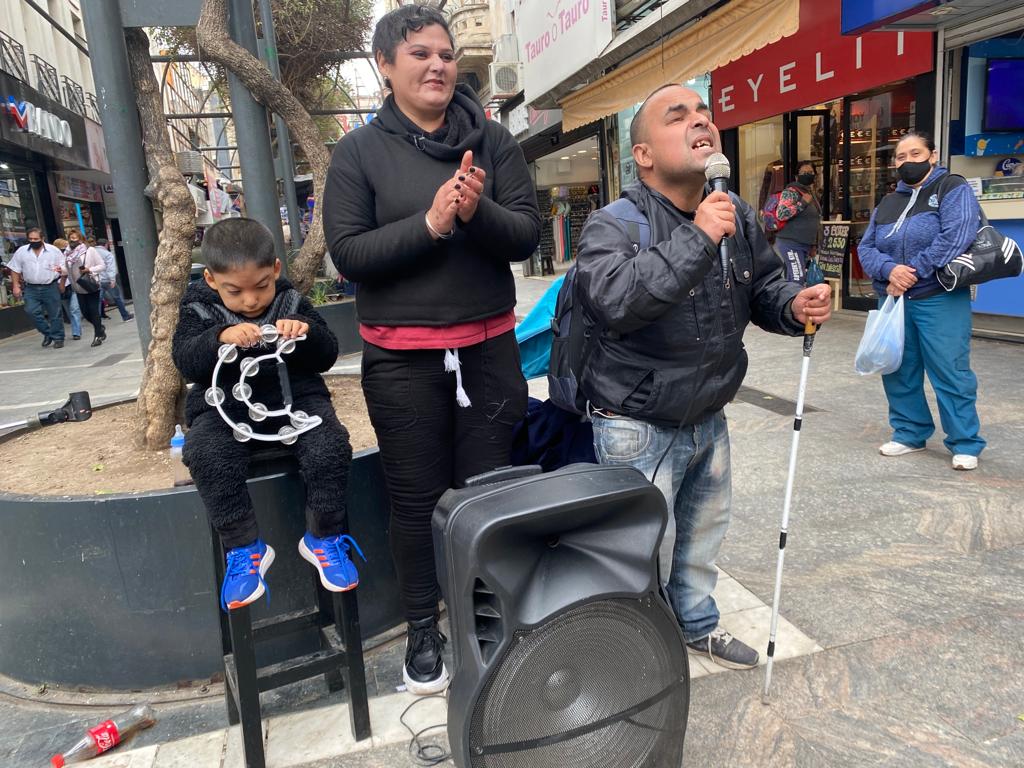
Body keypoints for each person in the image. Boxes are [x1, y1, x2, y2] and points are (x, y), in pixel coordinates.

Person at [575, 84, 832, 669]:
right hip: (636, 424)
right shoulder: (613, 225)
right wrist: (697, 237)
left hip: (709, 415)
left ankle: (696, 623)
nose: (701, 124)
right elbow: (617, 301)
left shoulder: (735, 212)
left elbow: (762, 285)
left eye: (705, 115)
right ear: (643, 154)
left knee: (701, 535)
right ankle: (636, 652)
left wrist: (793, 306)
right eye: (679, 116)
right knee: (637, 548)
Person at [324, 4, 540, 695]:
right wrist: (432, 221)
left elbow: (526, 237)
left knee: (488, 494)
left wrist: (476, 213)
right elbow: (350, 254)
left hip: (488, 351)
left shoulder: (496, 142)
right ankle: (424, 627)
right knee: (415, 501)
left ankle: (486, 615)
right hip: (401, 360)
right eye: (419, 54)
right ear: (385, 67)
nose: (438, 65)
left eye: (445, 53)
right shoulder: (358, 153)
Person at [171, 218, 363, 611]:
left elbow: (327, 354)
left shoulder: (290, 301)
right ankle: (243, 548)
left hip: (295, 400)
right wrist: (218, 338)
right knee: (206, 453)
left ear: (276, 269)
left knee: (329, 445)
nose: (250, 301)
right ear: (210, 279)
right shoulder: (197, 308)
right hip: (222, 406)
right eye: (234, 291)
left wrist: (305, 330)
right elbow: (186, 361)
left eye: (260, 286)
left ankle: (324, 537)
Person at [855, 131, 984, 471]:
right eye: (901, 156)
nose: (908, 161)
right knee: (898, 368)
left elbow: (957, 235)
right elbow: (866, 248)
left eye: (916, 153)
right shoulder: (888, 202)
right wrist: (890, 270)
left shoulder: (951, 188)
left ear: (933, 155)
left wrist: (912, 271)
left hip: (937, 296)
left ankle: (964, 442)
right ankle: (910, 432)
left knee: (950, 369)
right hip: (894, 299)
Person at [6, 228, 66, 349]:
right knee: (31, 311)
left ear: (42, 238)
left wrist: (62, 283)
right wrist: (16, 285)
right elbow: (14, 269)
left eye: (36, 239)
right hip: (31, 288)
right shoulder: (22, 251)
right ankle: (47, 333)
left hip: (50, 286)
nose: (33, 241)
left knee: (55, 313)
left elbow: (64, 268)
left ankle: (58, 338)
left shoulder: (53, 251)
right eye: (31, 239)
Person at [772, 161, 822, 283]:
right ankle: (794, 301)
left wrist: (813, 244)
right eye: (804, 172)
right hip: (791, 242)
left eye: (810, 172)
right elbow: (781, 214)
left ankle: (789, 301)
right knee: (797, 277)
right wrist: (802, 203)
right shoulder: (791, 192)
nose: (807, 175)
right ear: (796, 176)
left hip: (804, 244)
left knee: (795, 278)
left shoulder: (810, 193)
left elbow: (814, 219)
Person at [63, 229, 106, 347]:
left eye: (76, 238)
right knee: (85, 313)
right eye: (71, 238)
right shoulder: (67, 253)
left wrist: (89, 269)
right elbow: (67, 270)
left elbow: (102, 265)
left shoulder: (89, 250)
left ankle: (98, 335)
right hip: (77, 287)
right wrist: (59, 271)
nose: (73, 240)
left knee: (93, 310)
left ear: (81, 239)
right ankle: (100, 327)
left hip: (90, 285)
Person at [92, 238, 134, 322]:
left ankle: (96, 320)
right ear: (106, 244)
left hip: (97, 280)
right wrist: (112, 279)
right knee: (117, 298)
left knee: (98, 300)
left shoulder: (92, 253)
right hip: (107, 279)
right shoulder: (107, 254)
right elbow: (110, 268)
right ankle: (125, 316)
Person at [53, 237, 83, 340]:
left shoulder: (71, 256)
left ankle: (76, 332)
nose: (66, 250)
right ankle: (76, 328)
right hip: (61, 286)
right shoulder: (54, 259)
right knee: (69, 310)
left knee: (74, 309)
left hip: (72, 285)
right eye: (63, 248)